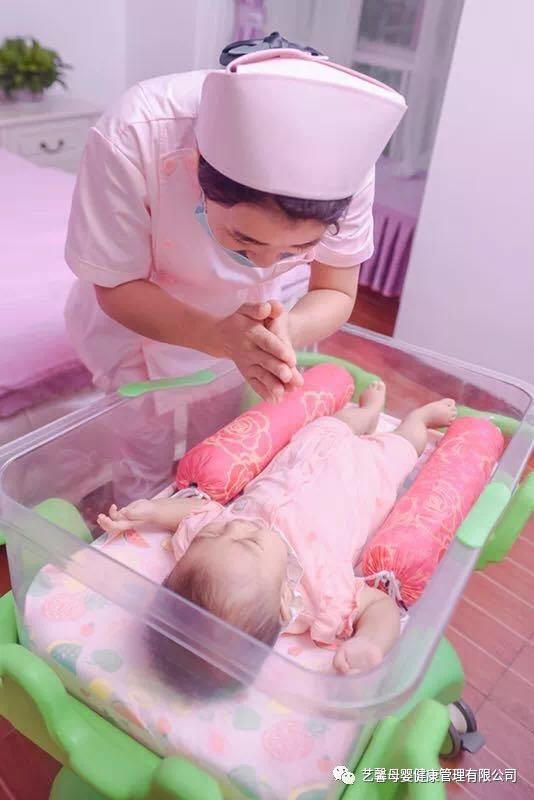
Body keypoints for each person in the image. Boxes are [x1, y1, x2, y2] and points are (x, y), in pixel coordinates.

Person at [65, 47, 406, 504]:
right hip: (139, 319)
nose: (265, 265)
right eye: (244, 241)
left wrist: (287, 330)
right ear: (198, 170)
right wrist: (219, 337)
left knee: (218, 444)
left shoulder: (348, 162)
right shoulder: (137, 131)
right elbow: (116, 285)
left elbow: (335, 289)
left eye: (297, 249)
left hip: (244, 321)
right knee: (141, 452)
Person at [98, 384, 457, 674]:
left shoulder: (208, 552)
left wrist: (153, 511)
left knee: (338, 422)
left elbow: (200, 512)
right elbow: (381, 607)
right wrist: (371, 642)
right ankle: (418, 419)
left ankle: (368, 414)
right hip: (368, 473)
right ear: (285, 600)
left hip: (309, 450)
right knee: (403, 446)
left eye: (215, 534)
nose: (233, 527)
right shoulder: (323, 598)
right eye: (250, 542)